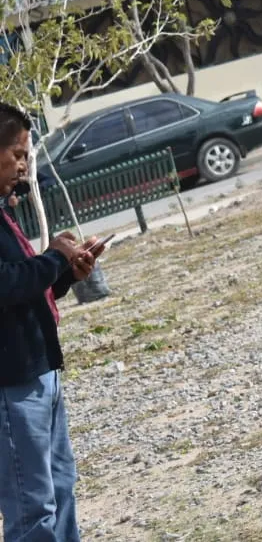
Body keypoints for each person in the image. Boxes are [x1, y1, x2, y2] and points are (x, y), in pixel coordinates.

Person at [0, 103, 105, 542]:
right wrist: (53, 257)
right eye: (17, 154)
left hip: (41, 372)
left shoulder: (5, 211)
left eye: (26, 154)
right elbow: (5, 285)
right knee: (32, 508)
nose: (24, 164)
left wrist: (63, 274)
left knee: (61, 491)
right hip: (13, 386)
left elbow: (23, 293)